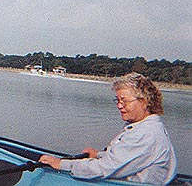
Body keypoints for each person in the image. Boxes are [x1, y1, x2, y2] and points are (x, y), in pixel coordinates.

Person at [39, 72, 177, 184]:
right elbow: (127, 158)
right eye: (118, 100)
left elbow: (103, 169)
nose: (119, 105)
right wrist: (99, 155)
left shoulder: (145, 133)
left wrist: (61, 164)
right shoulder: (146, 126)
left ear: (144, 101)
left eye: (124, 101)